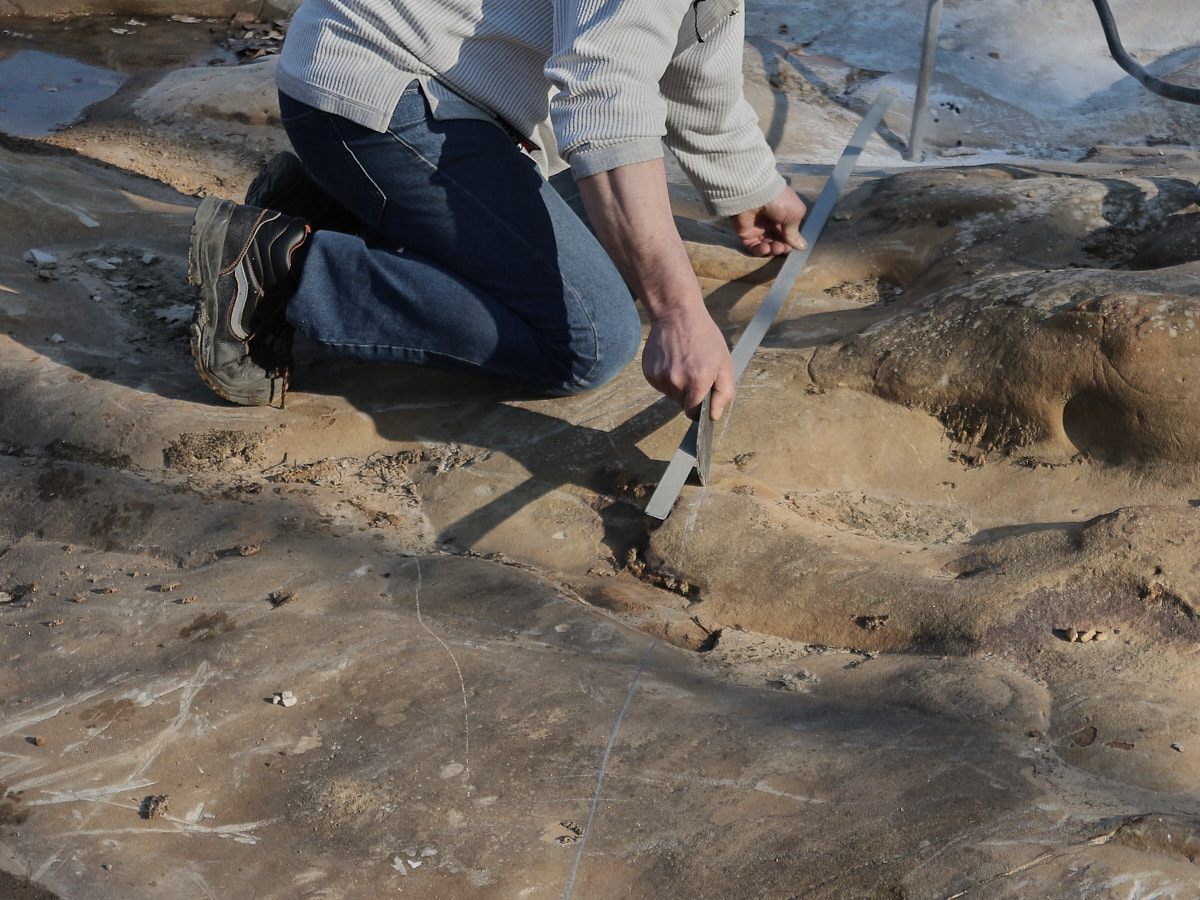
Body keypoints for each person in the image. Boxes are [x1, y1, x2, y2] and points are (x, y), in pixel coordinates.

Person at [187, 0, 807, 421]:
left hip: (433, 93)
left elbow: (693, 51)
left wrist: (748, 183)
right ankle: (282, 266)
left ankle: (333, 204)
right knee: (589, 340)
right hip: (378, 90)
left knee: (606, 229)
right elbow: (605, 91)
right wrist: (679, 314)